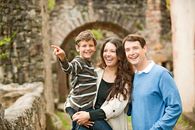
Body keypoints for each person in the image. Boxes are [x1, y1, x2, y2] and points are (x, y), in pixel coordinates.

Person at [52, 30, 112, 130]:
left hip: (89, 108)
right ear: (77, 48)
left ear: (94, 47)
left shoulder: (89, 65)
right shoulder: (79, 62)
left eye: (90, 45)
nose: (88, 48)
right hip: (80, 108)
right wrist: (63, 58)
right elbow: (69, 69)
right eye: (84, 46)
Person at [72, 37, 134, 130]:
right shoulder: (95, 73)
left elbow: (114, 108)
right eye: (105, 51)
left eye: (112, 51)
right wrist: (79, 116)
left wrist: (89, 115)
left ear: (120, 55)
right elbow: (77, 96)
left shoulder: (125, 80)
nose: (108, 54)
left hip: (111, 125)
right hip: (87, 123)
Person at [122, 34, 182, 130]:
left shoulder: (161, 74)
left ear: (144, 48)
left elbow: (175, 107)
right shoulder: (133, 77)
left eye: (135, 48)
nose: (131, 52)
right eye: (127, 50)